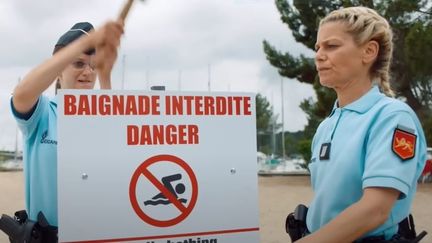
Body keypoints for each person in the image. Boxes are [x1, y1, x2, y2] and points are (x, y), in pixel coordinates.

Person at [294, 6, 427, 243]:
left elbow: (374, 210)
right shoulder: (326, 126)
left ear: (369, 51)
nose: (319, 55)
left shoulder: (393, 117)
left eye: (331, 46)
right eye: (318, 47)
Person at [9, 20, 124, 237]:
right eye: (78, 63)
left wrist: (106, 75)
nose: (88, 72)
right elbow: (21, 95)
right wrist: (85, 43)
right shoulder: (42, 112)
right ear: (59, 72)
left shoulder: (101, 117)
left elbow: (115, 158)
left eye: (93, 66)